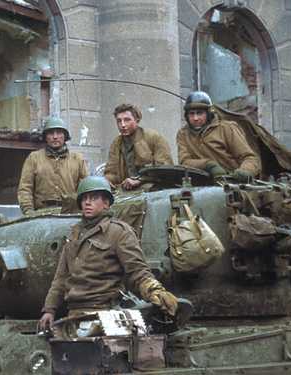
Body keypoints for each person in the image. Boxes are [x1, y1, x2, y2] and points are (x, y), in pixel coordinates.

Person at [38, 176, 178, 331]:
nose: (87, 202)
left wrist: (155, 292)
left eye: (94, 198)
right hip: (75, 315)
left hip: (106, 314)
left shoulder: (119, 232)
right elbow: (60, 278)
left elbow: (137, 272)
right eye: (84, 198)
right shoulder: (74, 235)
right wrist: (49, 310)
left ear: (106, 203)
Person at [176, 91, 261, 182]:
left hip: (233, 182)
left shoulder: (226, 128)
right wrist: (209, 165)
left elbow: (250, 158)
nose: (195, 118)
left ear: (209, 114)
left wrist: (245, 171)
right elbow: (184, 162)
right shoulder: (183, 134)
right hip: (201, 185)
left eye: (199, 113)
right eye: (191, 114)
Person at [17, 117, 88, 214]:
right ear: (45, 137)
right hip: (42, 214)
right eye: (51, 133)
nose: (55, 137)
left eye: (59, 133)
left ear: (65, 136)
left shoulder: (78, 159)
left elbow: (85, 189)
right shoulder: (34, 158)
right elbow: (25, 188)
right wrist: (28, 212)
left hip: (70, 214)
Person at [104, 103, 173, 190]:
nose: (123, 125)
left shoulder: (153, 137)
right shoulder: (117, 143)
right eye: (119, 121)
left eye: (127, 120)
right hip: (125, 189)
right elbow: (111, 171)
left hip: (153, 187)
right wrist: (106, 181)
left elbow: (164, 169)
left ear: (137, 120)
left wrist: (139, 180)